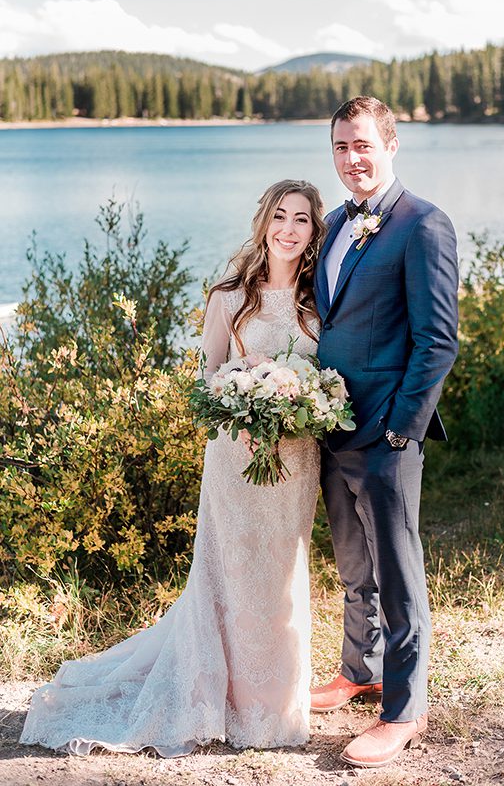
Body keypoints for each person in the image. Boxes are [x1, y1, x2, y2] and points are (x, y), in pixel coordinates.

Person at [20, 179, 328, 756]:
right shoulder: (229, 297)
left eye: (303, 220)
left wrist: (303, 401)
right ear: (263, 222)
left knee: (281, 576)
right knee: (230, 572)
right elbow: (208, 377)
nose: (288, 229)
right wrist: (244, 395)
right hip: (236, 458)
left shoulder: (321, 299)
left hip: (295, 460)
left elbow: (328, 372)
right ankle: (218, 700)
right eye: (280, 217)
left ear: (314, 231)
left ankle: (271, 705)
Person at [309, 96, 459, 769]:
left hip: (386, 434)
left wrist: (402, 430)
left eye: (363, 144)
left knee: (398, 572)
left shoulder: (424, 224)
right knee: (352, 564)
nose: (352, 158)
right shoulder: (334, 223)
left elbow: (438, 341)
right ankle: (359, 668)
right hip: (331, 426)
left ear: (391, 144)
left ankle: (404, 707)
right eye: (341, 146)